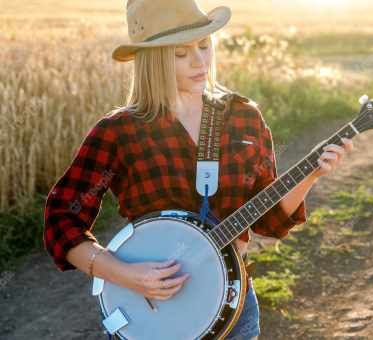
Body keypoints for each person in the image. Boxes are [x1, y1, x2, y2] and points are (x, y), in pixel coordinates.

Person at [43, 1, 353, 339]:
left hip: (233, 308)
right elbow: (61, 219)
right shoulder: (120, 131)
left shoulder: (243, 117)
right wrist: (123, 274)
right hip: (149, 320)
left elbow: (268, 221)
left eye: (204, 46)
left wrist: (312, 174)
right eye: (180, 53)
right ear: (153, 59)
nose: (199, 61)